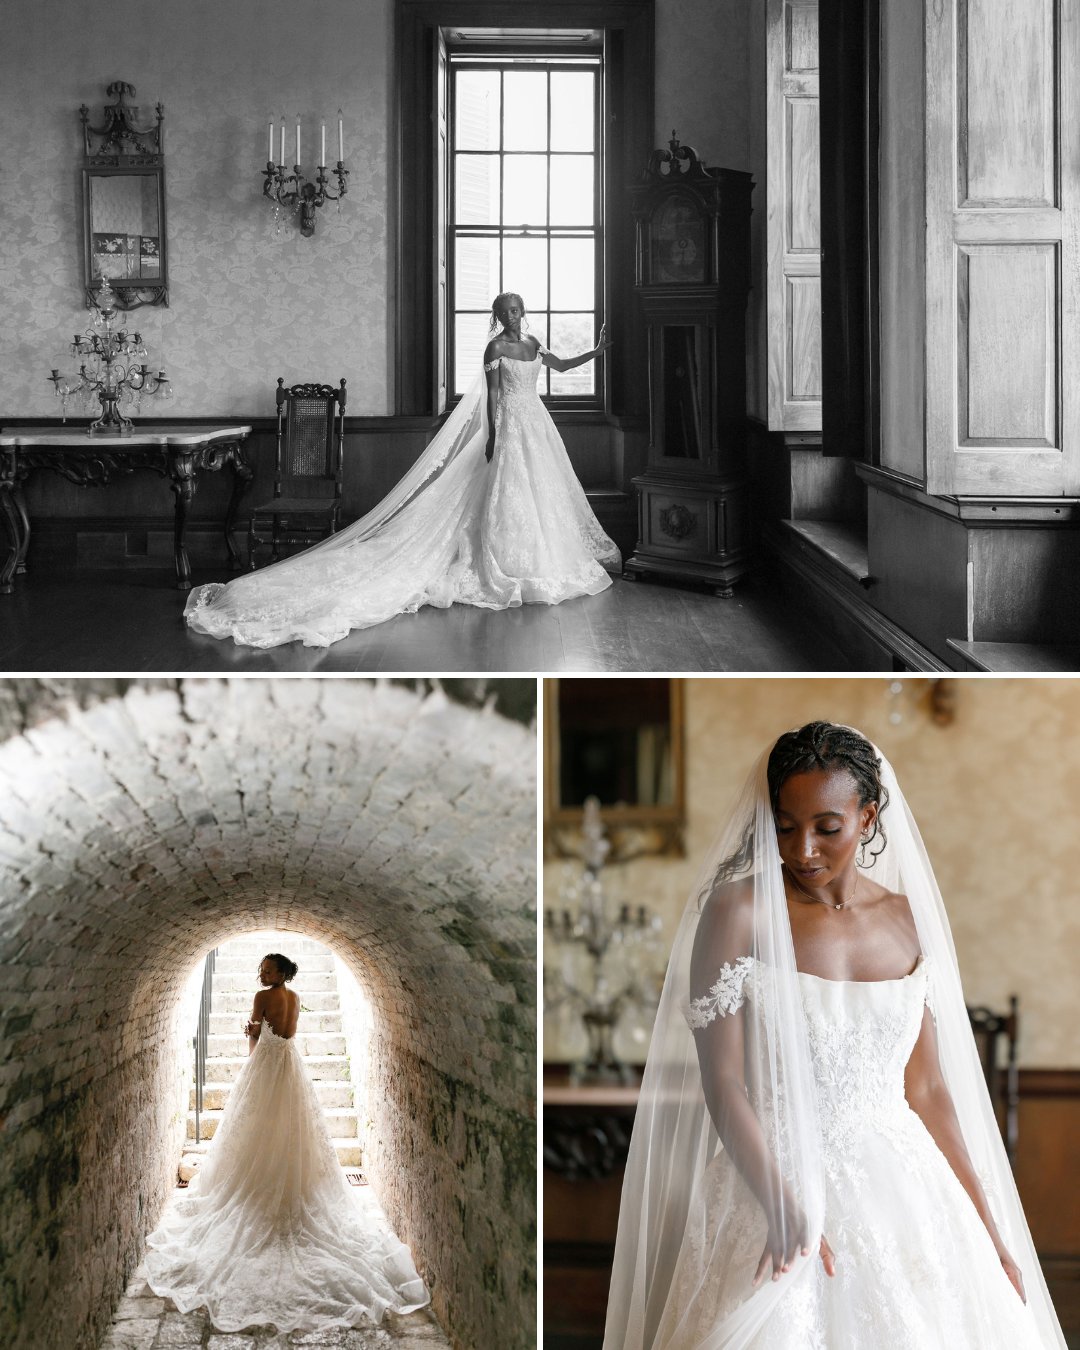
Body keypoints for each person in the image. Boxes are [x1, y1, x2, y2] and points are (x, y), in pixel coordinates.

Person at [604, 722, 1066, 1349]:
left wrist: (991, 1233)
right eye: (786, 826)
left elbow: (928, 1090)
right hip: (771, 1175)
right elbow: (723, 1081)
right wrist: (780, 1201)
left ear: (868, 816)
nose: (802, 851)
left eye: (827, 827)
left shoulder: (908, 921)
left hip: (905, 1188)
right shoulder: (736, 912)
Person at [183, 292, 619, 648]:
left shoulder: (534, 345)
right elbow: (490, 397)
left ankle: (537, 562)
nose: (512, 316)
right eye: (505, 311)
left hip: (537, 427)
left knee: (541, 493)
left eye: (517, 309)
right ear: (497, 317)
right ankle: (502, 561)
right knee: (506, 492)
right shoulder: (495, 348)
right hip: (508, 426)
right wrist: (492, 437)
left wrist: (596, 352)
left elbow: (559, 367)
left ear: (524, 312)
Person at [144, 952, 429, 1334]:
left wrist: (249, 1045)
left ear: (280, 973)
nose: (261, 973)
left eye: (266, 969)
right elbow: (289, 1034)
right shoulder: (294, 998)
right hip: (291, 1064)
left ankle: (257, 1185)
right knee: (291, 1123)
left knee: (258, 1120)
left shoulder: (262, 998)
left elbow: (259, 1035)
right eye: (260, 968)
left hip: (266, 1063)